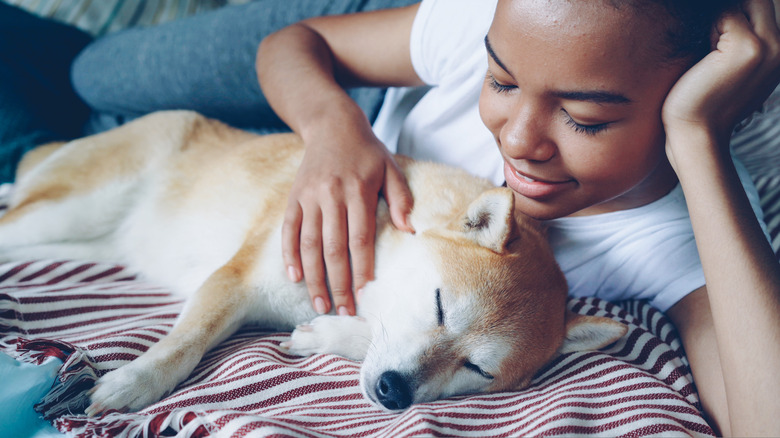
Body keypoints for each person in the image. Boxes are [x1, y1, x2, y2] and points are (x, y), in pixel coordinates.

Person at [253, 0, 780, 436]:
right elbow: (292, 43)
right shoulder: (497, 20)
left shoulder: (686, 233)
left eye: (584, 118)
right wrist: (330, 126)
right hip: (357, 88)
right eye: (501, 82)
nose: (517, 141)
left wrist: (697, 134)